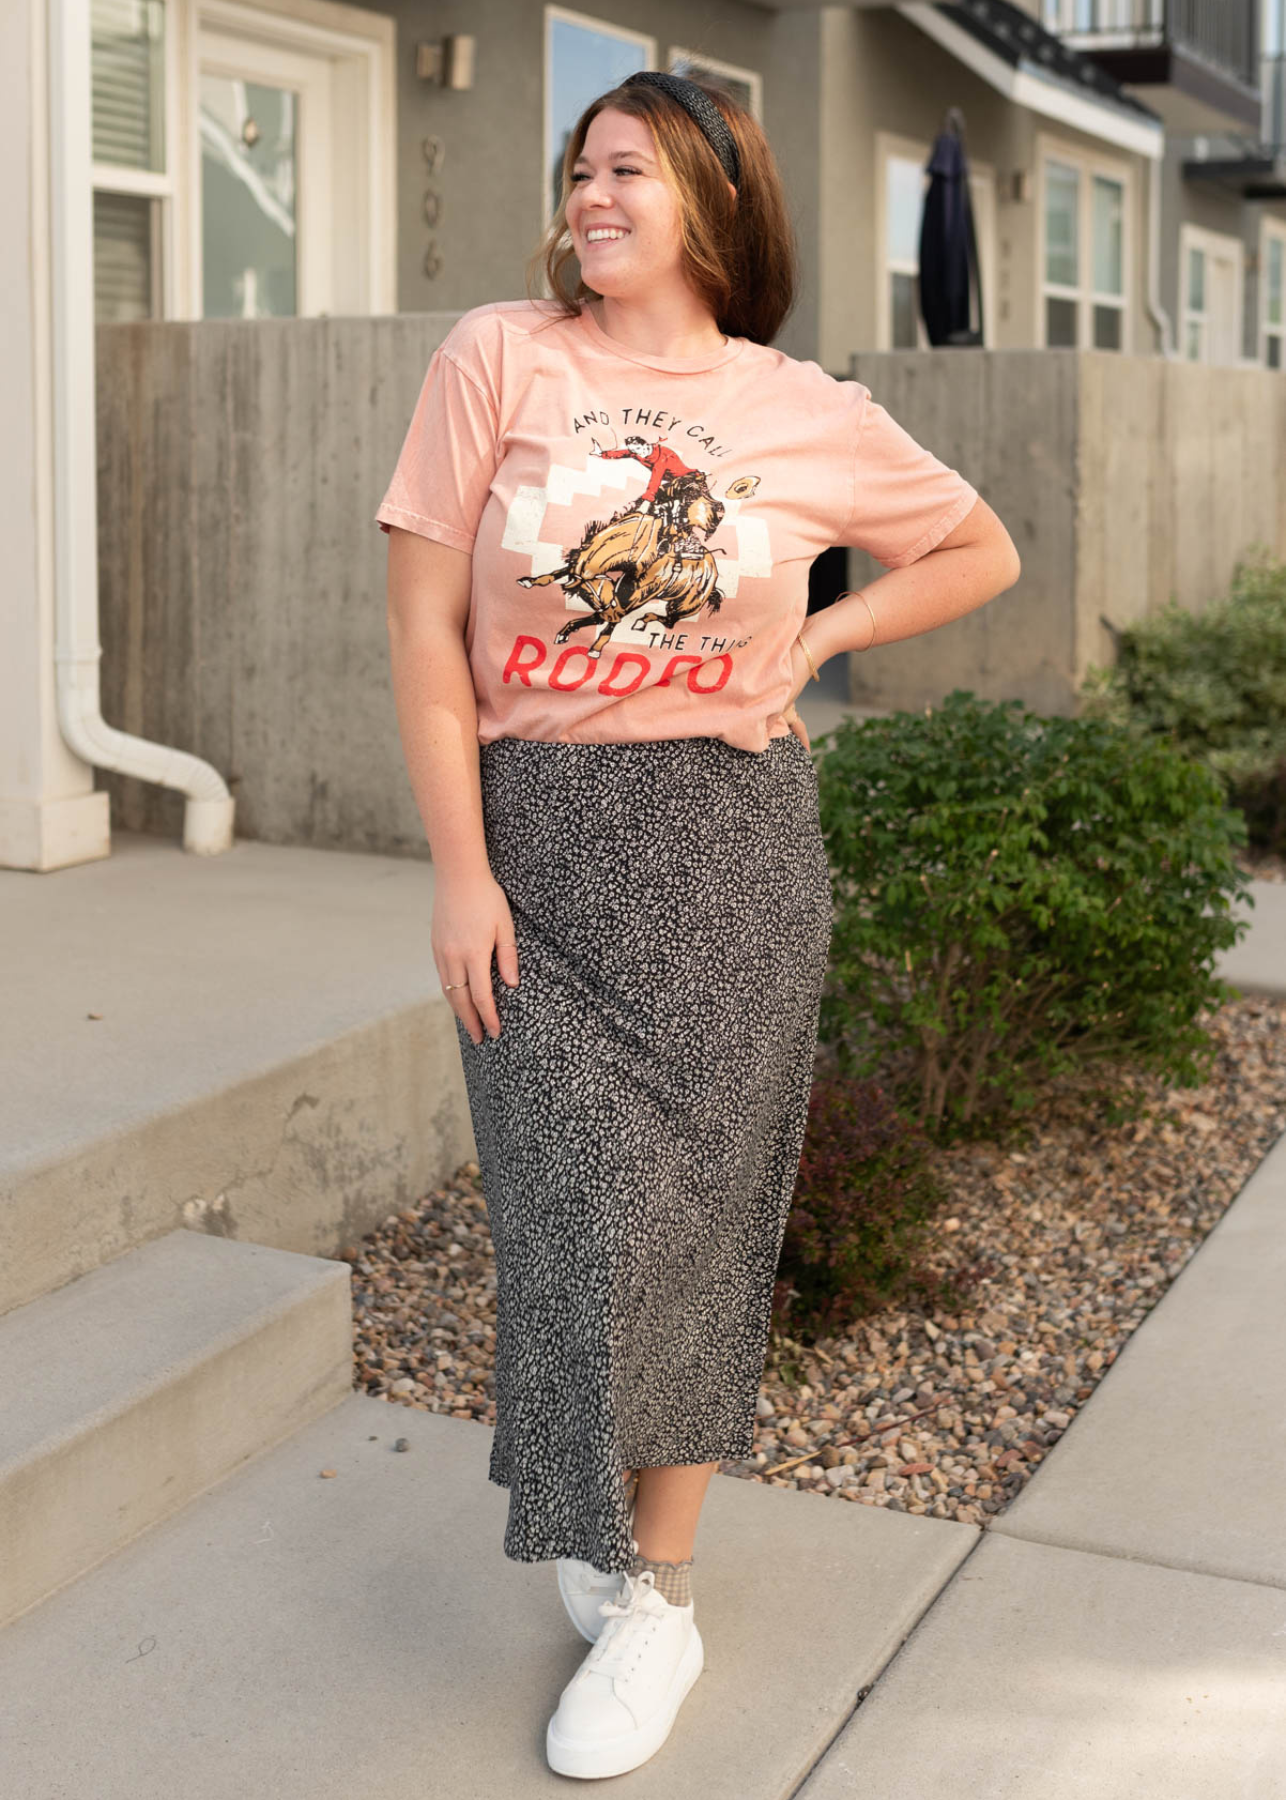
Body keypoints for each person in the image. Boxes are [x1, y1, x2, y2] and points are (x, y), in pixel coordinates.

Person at [377, 68, 1020, 1781]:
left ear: (715, 199)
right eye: (581, 169)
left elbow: (978, 549)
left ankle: (656, 1595)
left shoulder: (799, 405)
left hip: (729, 849)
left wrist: (811, 644)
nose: (591, 197)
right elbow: (426, 642)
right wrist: (459, 867)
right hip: (537, 848)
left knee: (698, 1227)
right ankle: (605, 1516)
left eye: (631, 173)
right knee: (574, 1209)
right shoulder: (496, 360)